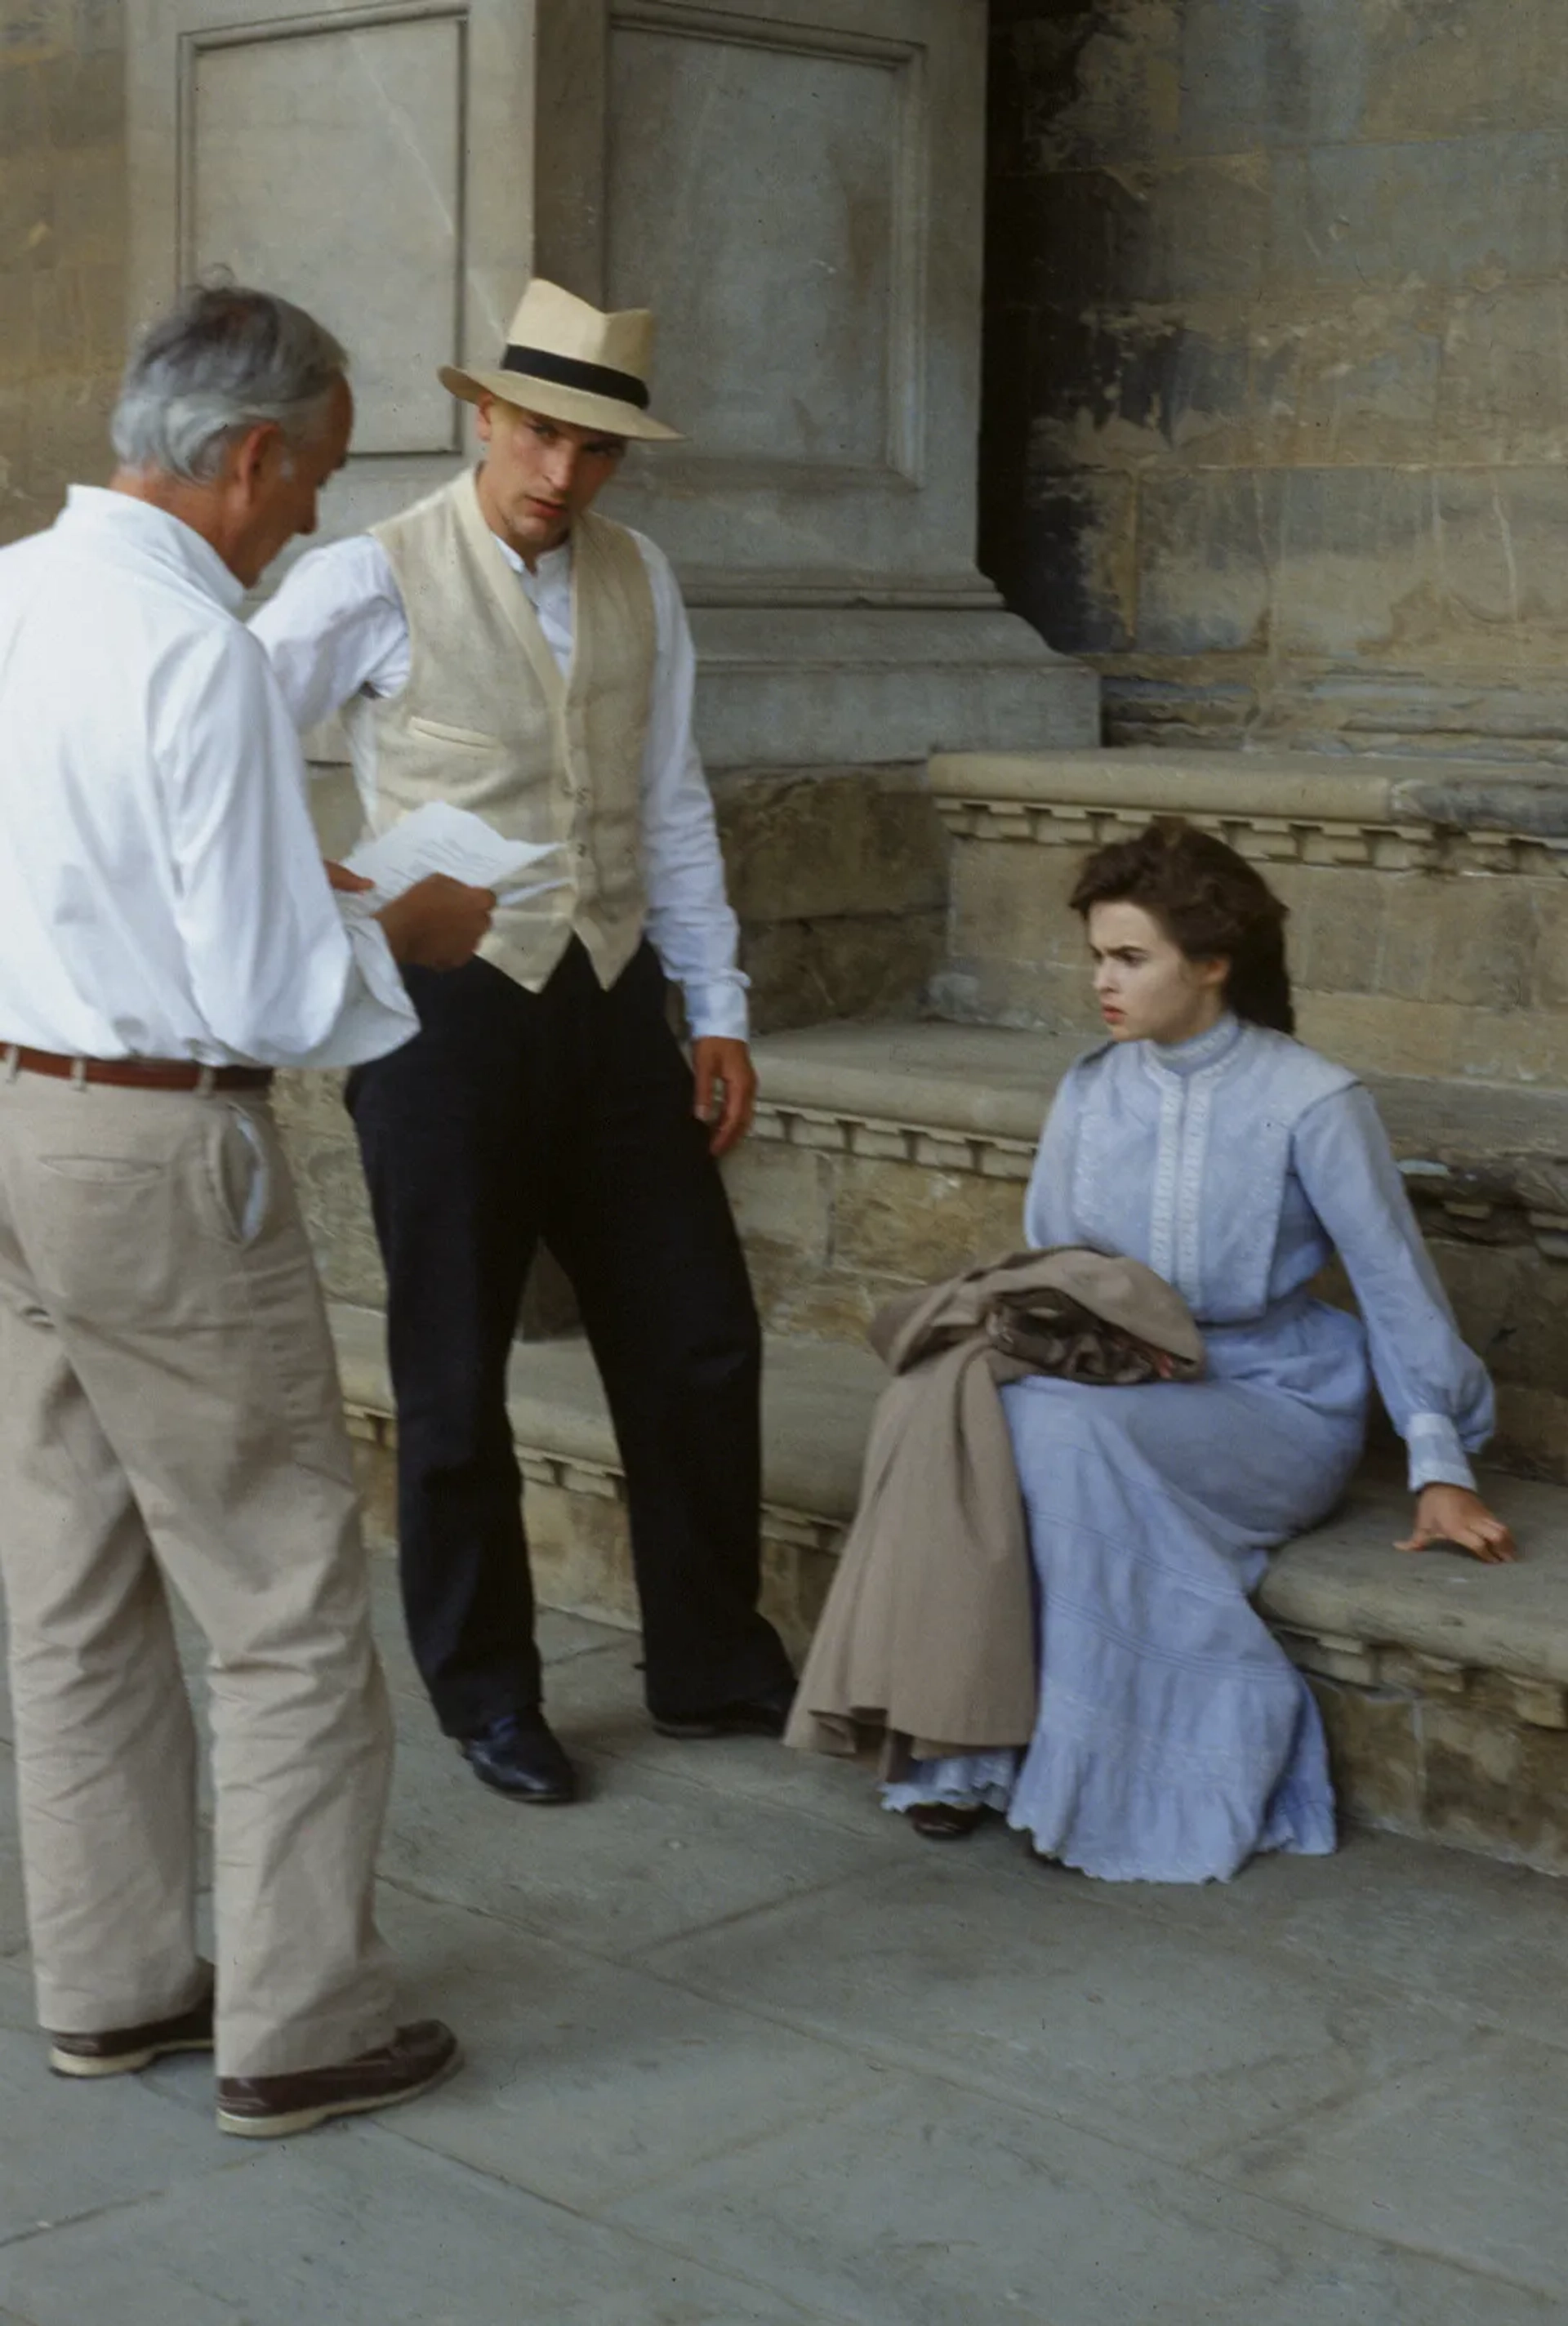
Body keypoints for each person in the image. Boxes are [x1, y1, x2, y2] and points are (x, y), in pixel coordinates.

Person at [0, 283, 497, 2134]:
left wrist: (302, 890)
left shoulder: (12, 596)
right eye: (317, 479)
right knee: (282, 1590)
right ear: (251, 457)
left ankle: (114, 1982)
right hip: (150, 1147)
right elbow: (270, 999)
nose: (314, 521)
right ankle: (299, 2024)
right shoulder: (194, 650)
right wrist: (410, 931)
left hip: (16, 1110)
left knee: (69, 1584)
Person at [251, 278, 795, 1807]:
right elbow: (215, 749)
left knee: (696, 1336)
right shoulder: (367, 576)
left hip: (617, 1003)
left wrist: (721, 1004)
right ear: (485, 414)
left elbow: (673, 803)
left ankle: (708, 1661)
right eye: (541, 433)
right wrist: (337, 906)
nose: (562, 474)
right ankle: (486, 1692)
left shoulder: (643, 580)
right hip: (445, 1021)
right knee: (452, 1368)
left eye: (597, 449)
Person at [874, 818, 1515, 1882]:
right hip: (1122, 1379)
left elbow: (1397, 1285)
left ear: (1212, 965)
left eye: (1130, 959)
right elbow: (1057, 1266)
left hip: (1273, 1396)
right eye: (1095, 958)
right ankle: (968, 1747)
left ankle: (1116, 1769)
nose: (1103, 984)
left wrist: (1439, 1465)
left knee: (1063, 1444)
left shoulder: (1312, 1099)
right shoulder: (1091, 1089)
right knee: (985, 1417)